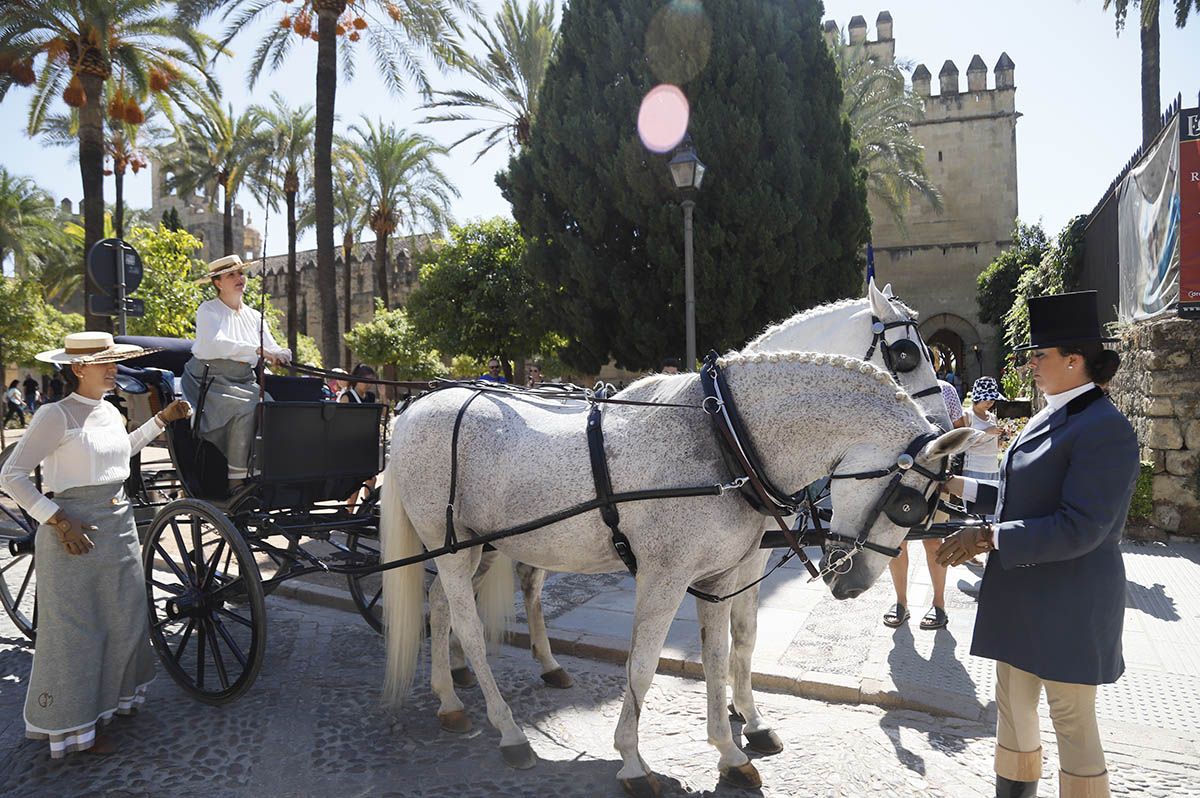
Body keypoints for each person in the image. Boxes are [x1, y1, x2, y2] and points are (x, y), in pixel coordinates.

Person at [936, 291, 1138, 798]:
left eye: (1038, 354)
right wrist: (958, 488)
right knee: (1014, 714)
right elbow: (1021, 495)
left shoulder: (1105, 429)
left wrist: (988, 536)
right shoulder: (1051, 413)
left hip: (1070, 602)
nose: (1029, 363)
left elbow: (1081, 526)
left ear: (1074, 360)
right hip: (1023, 598)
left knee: (1072, 725)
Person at [0, 331, 191, 758]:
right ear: (78, 368)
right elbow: (10, 475)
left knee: (124, 619)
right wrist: (59, 519)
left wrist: (162, 420)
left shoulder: (109, 411)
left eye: (115, 361)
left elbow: (120, 452)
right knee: (77, 633)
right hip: (73, 533)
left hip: (119, 524)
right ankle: (73, 729)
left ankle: (111, 707)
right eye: (106, 362)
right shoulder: (54, 414)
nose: (114, 369)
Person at [182, 255, 291, 494]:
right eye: (231, 274)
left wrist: (281, 354)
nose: (239, 278)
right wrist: (255, 349)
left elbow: (270, 345)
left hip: (244, 379)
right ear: (218, 283)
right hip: (208, 380)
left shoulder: (254, 316)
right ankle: (235, 481)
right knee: (246, 409)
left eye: (240, 273)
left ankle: (262, 472)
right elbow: (214, 344)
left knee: (270, 409)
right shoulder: (208, 310)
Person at [883, 348, 964, 631]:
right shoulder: (893, 391)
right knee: (896, 544)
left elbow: (959, 432)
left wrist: (953, 478)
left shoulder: (946, 391)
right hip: (899, 480)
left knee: (933, 542)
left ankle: (939, 604)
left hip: (936, 480)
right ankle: (901, 603)